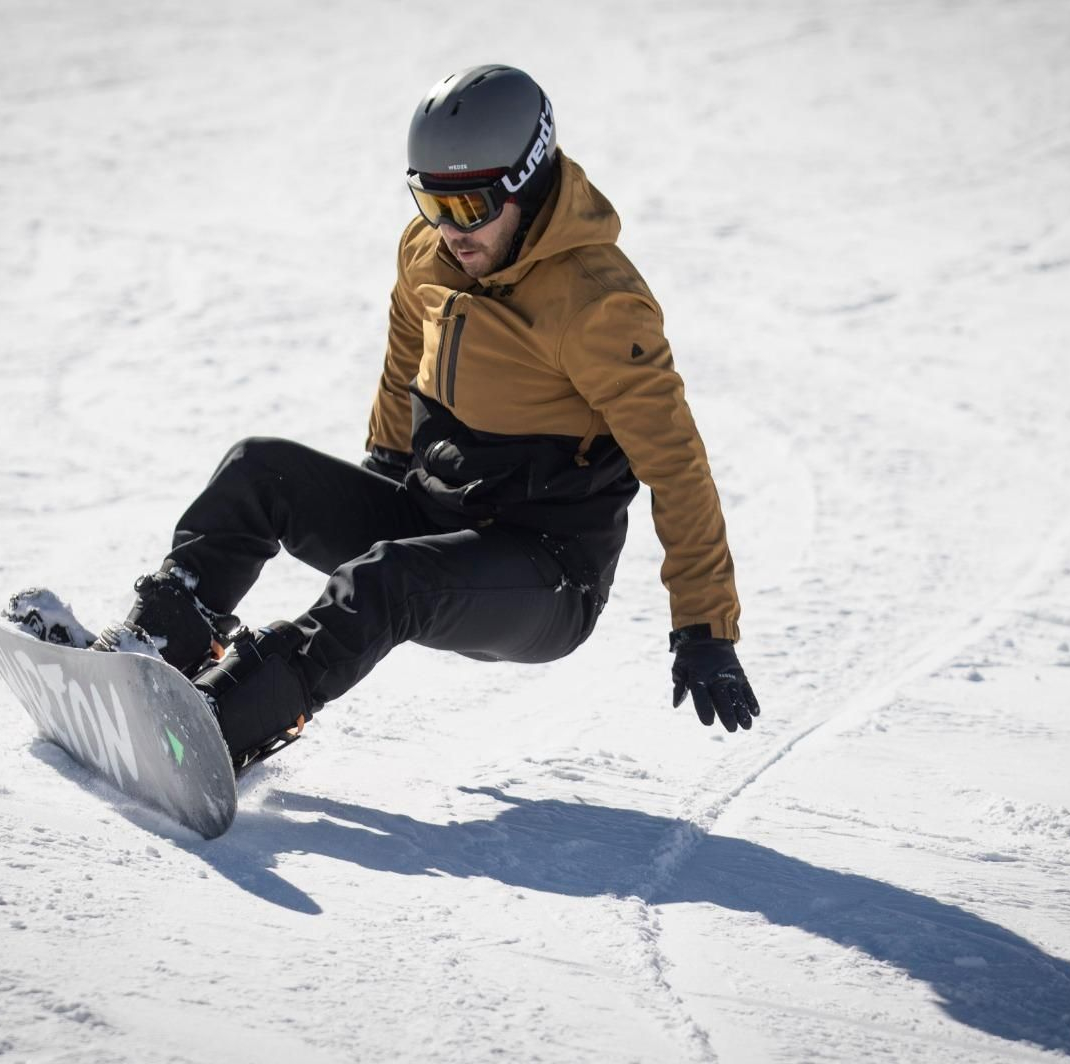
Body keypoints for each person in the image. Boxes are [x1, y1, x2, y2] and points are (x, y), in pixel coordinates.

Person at [92, 64, 760, 769]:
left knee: (389, 579)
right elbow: (404, 351)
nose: (449, 232)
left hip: (546, 574)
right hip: (436, 516)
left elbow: (677, 465)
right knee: (258, 472)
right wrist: (383, 469)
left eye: (469, 208)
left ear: (526, 182)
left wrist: (704, 627)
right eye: (429, 201)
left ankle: (215, 731)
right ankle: (153, 650)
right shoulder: (430, 250)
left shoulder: (597, 305)